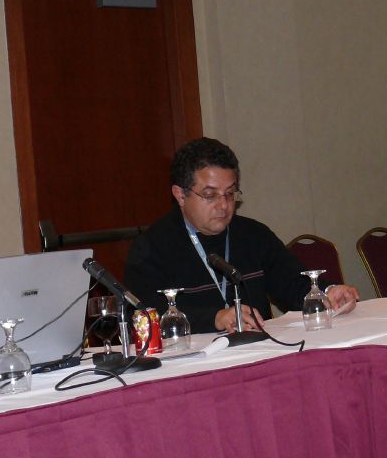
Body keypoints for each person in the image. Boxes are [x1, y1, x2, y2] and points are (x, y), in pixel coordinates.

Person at [125, 138, 358, 335]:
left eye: (230, 193)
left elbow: (291, 283)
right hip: (195, 366)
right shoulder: (151, 247)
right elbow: (144, 315)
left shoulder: (253, 235)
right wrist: (214, 318)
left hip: (260, 352)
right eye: (210, 195)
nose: (224, 205)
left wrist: (328, 292)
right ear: (180, 195)